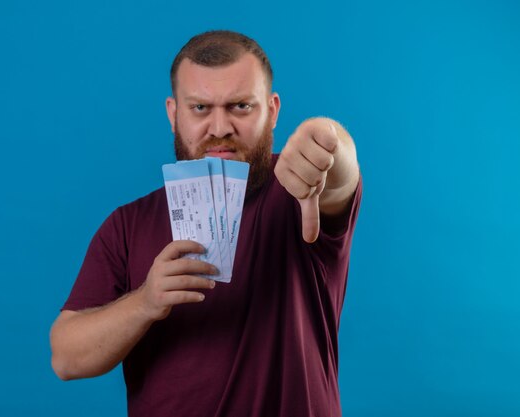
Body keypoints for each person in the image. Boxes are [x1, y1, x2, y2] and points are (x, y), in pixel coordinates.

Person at [50, 30, 362, 417]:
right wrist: (145, 303)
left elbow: (341, 176)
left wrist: (329, 142)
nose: (219, 128)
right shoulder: (126, 225)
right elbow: (66, 358)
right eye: (200, 108)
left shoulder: (299, 191)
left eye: (240, 107)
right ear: (173, 113)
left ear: (273, 110)